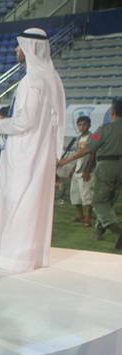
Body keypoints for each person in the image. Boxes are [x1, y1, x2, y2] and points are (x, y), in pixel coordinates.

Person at [0, 28, 66, 272]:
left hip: (25, 152)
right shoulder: (51, 78)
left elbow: (25, 121)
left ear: (30, 48)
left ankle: (13, 258)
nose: (16, 50)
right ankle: (30, 257)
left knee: (18, 202)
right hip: (38, 151)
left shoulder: (33, 80)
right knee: (33, 203)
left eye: (19, 46)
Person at [58, 98, 122, 248]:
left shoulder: (104, 129)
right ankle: (99, 231)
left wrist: (65, 161)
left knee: (99, 201)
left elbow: (87, 148)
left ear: (112, 111)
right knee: (109, 201)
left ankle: (117, 230)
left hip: (106, 166)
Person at [65, 116, 94, 225]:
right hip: (77, 170)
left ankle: (88, 218)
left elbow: (93, 154)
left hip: (86, 170)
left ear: (89, 125)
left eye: (84, 124)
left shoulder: (94, 136)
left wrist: (88, 170)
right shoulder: (78, 138)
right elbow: (77, 156)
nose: (82, 127)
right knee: (75, 195)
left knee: (87, 195)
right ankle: (80, 216)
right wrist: (72, 169)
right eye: (80, 125)